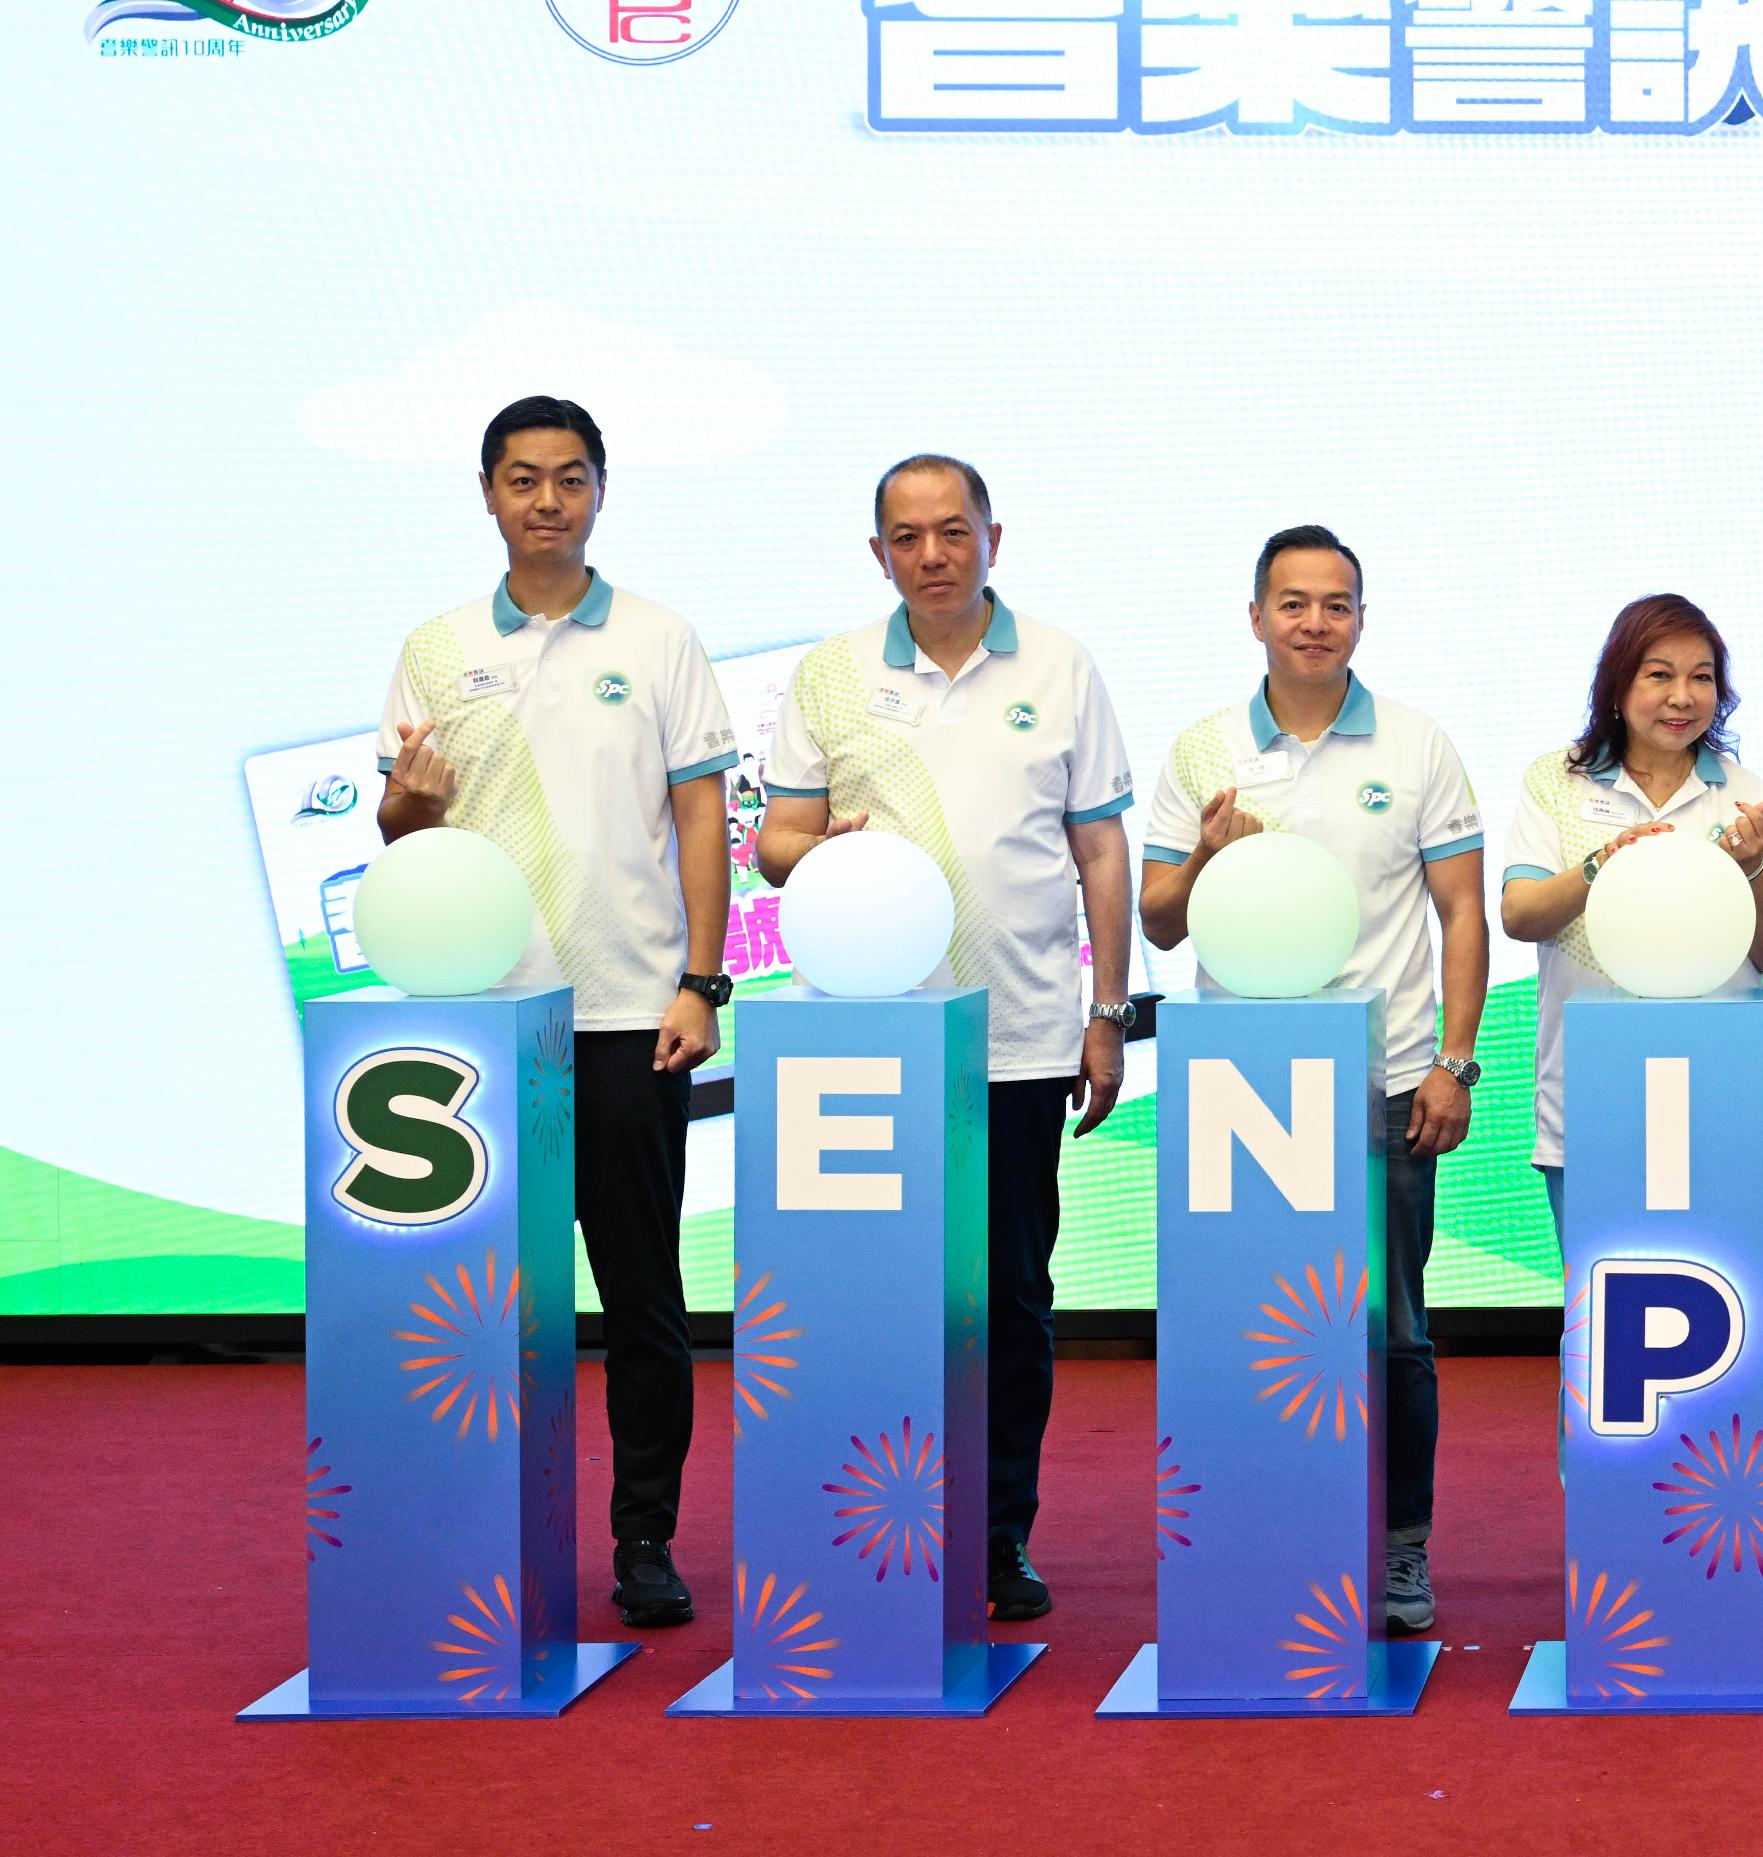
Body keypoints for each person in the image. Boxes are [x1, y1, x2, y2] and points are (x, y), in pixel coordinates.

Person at [375, 395, 736, 1630]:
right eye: (522, 479)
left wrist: (703, 977)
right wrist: (406, 809)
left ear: (598, 491)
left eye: (569, 478)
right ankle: (481, 1536)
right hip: (480, 1028)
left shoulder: (659, 636)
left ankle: (645, 1538)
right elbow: (401, 838)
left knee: (642, 1295)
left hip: (633, 1011)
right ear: (487, 493)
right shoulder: (434, 648)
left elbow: (700, 816)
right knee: (486, 1299)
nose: (546, 500)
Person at [756, 454, 1136, 1626]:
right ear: (878, 553)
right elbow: (773, 842)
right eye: (907, 537)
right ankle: (876, 1533)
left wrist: (1108, 1011)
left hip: (1019, 1038)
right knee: (874, 1295)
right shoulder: (830, 673)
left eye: (952, 531)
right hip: (869, 1047)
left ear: (992, 538)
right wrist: (827, 851)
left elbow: (1102, 853)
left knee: (1011, 1298)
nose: (932, 554)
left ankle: (995, 1536)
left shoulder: (1061, 666)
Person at [1138, 525, 1490, 1631]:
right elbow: (1156, 918)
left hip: (1385, 1085)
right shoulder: (1204, 750)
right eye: (1292, 603)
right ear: (1256, 618)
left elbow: (1462, 912)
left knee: (1391, 1332)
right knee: (1248, 1326)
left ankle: (1398, 1552)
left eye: (1336, 604)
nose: (1314, 622)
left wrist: (1453, 1060)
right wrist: (1205, 854)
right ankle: (1263, 1537)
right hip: (1243, 1092)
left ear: (1360, 620)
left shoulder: (1418, 744)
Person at [1498, 594, 1763, 1233]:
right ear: (1618, 683)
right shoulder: (1557, 781)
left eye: (1702, 677)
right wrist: (1600, 866)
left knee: (1719, 1298)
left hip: (1715, 1095)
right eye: (1659, 674)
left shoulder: (1744, 793)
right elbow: (1520, 914)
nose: (1683, 696)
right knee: (1605, 1304)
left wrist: (1752, 870)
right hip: (1593, 1092)